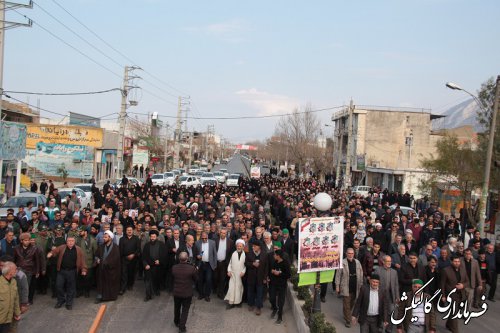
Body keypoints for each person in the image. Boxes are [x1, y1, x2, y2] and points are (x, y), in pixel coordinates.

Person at [47, 236, 87, 310]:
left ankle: (69, 303)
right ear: (66, 242)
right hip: (61, 271)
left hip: (72, 271)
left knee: (70, 288)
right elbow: (55, 251)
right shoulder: (62, 247)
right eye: (69, 241)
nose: (70, 242)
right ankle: (61, 300)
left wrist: (84, 269)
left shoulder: (78, 249)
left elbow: (82, 260)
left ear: (74, 242)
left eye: (72, 240)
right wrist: (51, 253)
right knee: (58, 286)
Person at [335, 247, 364, 328]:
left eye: (352, 253)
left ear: (354, 254)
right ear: (346, 254)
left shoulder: (357, 262)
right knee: (346, 304)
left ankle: (346, 314)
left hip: (355, 286)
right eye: (349, 253)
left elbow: (361, 274)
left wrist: (361, 284)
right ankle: (348, 320)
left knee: (352, 303)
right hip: (345, 286)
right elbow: (337, 275)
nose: (350, 255)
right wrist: (337, 286)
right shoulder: (342, 262)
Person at [440, 255, 469, 333]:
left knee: (454, 311)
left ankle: (448, 324)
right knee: (454, 312)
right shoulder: (445, 270)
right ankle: (455, 330)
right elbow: (442, 284)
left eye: (458, 261)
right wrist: (443, 295)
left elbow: (467, 281)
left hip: (461, 294)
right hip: (451, 295)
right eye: (455, 261)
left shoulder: (463, 270)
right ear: (451, 262)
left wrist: (463, 285)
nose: (457, 263)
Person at [172, 251, 198, 333]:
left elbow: (172, 279)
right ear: (187, 259)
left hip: (176, 292)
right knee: (185, 310)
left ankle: (176, 321)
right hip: (187, 293)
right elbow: (196, 279)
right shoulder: (191, 268)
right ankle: (182, 327)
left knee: (177, 307)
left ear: (179, 259)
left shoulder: (174, 268)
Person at [374, 255, 400, 333]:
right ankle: (380, 328)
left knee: (391, 312)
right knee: (381, 311)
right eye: (387, 261)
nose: (389, 263)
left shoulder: (394, 272)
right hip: (380, 295)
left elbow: (396, 285)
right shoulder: (378, 270)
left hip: (391, 296)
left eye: (390, 261)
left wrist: (397, 296)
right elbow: (374, 282)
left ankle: (389, 329)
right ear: (383, 262)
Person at [13, 233, 40, 305]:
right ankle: (19, 300)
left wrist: (37, 271)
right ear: (21, 241)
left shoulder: (34, 248)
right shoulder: (16, 248)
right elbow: (14, 260)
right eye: (25, 240)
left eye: (28, 240)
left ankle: (27, 300)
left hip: (29, 270)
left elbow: (37, 260)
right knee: (18, 285)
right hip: (19, 269)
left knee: (27, 286)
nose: (27, 242)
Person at [95, 230, 121, 303]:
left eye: (105, 237)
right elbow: (96, 255)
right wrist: (97, 259)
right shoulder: (101, 246)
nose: (104, 238)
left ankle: (111, 296)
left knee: (110, 284)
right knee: (101, 283)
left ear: (110, 238)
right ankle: (100, 296)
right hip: (102, 269)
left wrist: (106, 262)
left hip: (111, 270)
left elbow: (116, 259)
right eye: (104, 237)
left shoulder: (116, 247)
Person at [142, 230, 167, 302]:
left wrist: (160, 261)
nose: (152, 238)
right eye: (151, 237)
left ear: (157, 237)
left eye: (154, 237)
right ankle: (148, 295)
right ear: (149, 237)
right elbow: (143, 257)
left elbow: (165, 255)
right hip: (149, 266)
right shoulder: (146, 245)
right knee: (148, 281)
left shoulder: (161, 245)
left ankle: (157, 290)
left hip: (158, 266)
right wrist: (145, 264)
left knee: (157, 280)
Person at [245, 240, 268, 316]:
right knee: (250, 291)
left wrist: (265, 278)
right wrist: (252, 264)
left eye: (254, 246)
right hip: (251, 276)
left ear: (259, 247)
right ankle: (251, 304)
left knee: (259, 292)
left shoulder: (264, 254)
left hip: (260, 277)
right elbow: (246, 263)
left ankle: (259, 307)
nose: (253, 247)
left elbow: (266, 267)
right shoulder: (249, 253)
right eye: (253, 246)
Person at [268, 249, 291, 324]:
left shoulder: (285, 263)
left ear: (279, 256)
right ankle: (275, 308)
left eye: (275, 255)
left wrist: (279, 274)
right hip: (273, 283)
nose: (273, 256)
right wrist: (271, 274)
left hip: (281, 284)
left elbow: (288, 275)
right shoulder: (275, 262)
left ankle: (280, 316)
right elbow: (272, 270)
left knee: (280, 301)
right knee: (271, 298)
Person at [195, 231, 217, 302]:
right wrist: (197, 256)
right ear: (201, 237)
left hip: (209, 264)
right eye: (203, 238)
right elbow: (195, 252)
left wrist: (214, 265)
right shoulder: (197, 243)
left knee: (208, 280)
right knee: (200, 280)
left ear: (207, 237)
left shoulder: (212, 243)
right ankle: (201, 294)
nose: (204, 239)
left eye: (205, 238)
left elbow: (215, 254)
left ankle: (207, 295)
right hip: (200, 264)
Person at [76, 225, 97, 298]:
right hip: (79, 263)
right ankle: (79, 291)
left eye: (81, 231)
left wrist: (95, 262)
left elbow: (95, 252)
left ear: (85, 232)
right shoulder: (78, 239)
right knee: (79, 278)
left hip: (88, 263)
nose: (79, 232)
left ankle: (87, 291)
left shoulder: (92, 240)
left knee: (87, 279)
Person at [119, 225, 141, 295]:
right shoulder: (122, 239)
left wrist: (133, 255)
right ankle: (123, 288)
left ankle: (130, 285)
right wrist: (125, 256)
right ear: (126, 231)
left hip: (133, 259)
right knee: (124, 273)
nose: (129, 231)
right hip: (124, 259)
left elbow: (138, 249)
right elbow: (120, 250)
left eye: (130, 230)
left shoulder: (136, 238)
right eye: (128, 230)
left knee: (131, 273)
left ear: (132, 231)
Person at [224, 239, 246, 308]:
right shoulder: (233, 253)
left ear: (243, 247)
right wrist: (229, 271)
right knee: (232, 288)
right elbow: (230, 263)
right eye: (238, 246)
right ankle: (231, 303)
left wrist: (243, 272)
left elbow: (246, 265)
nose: (239, 247)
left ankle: (238, 302)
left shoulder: (245, 254)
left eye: (240, 246)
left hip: (240, 275)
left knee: (239, 288)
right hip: (233, 274)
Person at [0, 261, 21, 333]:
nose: (17, 271)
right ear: (10, 271)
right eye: (15, 269)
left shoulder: (14, 282)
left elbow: (16, 299)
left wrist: (17, 313)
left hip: (8, 319)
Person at [215, 228, 234, 299]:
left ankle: (221, 292)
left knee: (222, 278)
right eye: (221, 233)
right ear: (219, 233)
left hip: (224, 263)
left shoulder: (230, 242)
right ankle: (216, 289)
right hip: (216, 262)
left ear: (226, 234)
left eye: (224, 233)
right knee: (216, 277)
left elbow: (231, 253)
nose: (223, 234)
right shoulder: (215, 240)